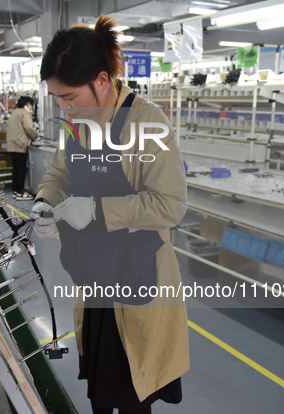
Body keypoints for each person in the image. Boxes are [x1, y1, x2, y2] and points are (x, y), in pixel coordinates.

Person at [32, 15, 189, 414]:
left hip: (137, 277)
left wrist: (98, 210)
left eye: (70, 97)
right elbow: (58, 173)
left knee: (133, 389)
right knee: (101, 390)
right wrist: (45, 201)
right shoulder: (77, 125)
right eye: (58, 100)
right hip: (95, 276)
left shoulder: (147, 122)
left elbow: (170, 205)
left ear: (102, 80)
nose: (65, 108)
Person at [6, 96, 38, 200]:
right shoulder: (24, 113)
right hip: (20, 144)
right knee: (22, 168)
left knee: (16, 168)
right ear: (28, 104)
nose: (31, 107)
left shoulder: (15, 112)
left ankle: (15, 190)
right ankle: (20, 192)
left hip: (12, 143)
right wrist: (36, 136)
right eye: (31, 105)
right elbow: (29, 127)